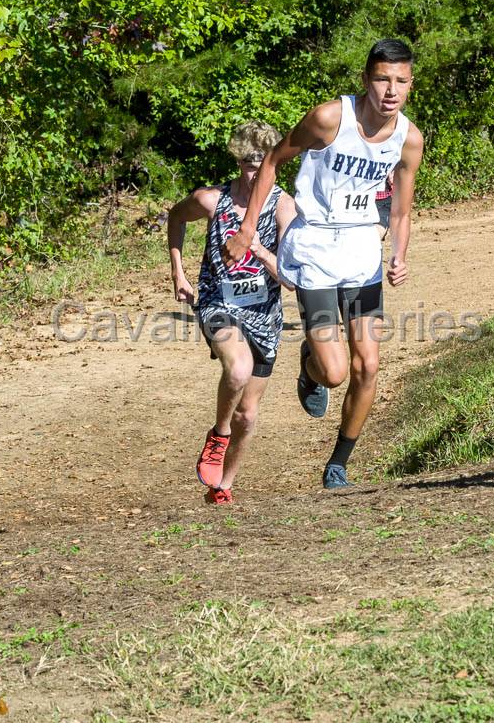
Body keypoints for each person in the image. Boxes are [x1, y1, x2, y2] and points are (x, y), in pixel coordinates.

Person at [222, 39, 425, 489]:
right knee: (334, 374)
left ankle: (339, 463)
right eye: (381, 79)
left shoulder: (408, 139)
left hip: (361, 255)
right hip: (314, 248)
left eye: (400, 81)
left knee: (368, 366)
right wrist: (247, 230)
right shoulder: (330, 118)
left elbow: (402, 212)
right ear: (365, 80)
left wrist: (399, 256)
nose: (390, 90)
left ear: (410, 85)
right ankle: (310, 363)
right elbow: (273, 162)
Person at [168, 121, 297, 504]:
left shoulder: (284, 208)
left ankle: (223, 484)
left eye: (262, 162)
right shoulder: (212, 200)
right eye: (247, 162)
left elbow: (291, 279)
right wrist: (178, 272)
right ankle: (218, 434)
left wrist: (258, 250)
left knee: (249, 414)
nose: (254, 171)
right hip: (216, 302)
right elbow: (175, 218)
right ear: (237, 160)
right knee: (237, 369)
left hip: (264, 314)